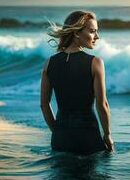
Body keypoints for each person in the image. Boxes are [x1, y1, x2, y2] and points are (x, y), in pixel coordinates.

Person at [40, 10, 114, 155]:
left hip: (60, 139)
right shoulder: (95, 63)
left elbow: (44, 104)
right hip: (88, 138)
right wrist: (107, 135)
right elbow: (102, 104)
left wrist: (57, 132)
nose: (97, 37)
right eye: (92, 31)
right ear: (77, 33)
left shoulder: (49, 63)